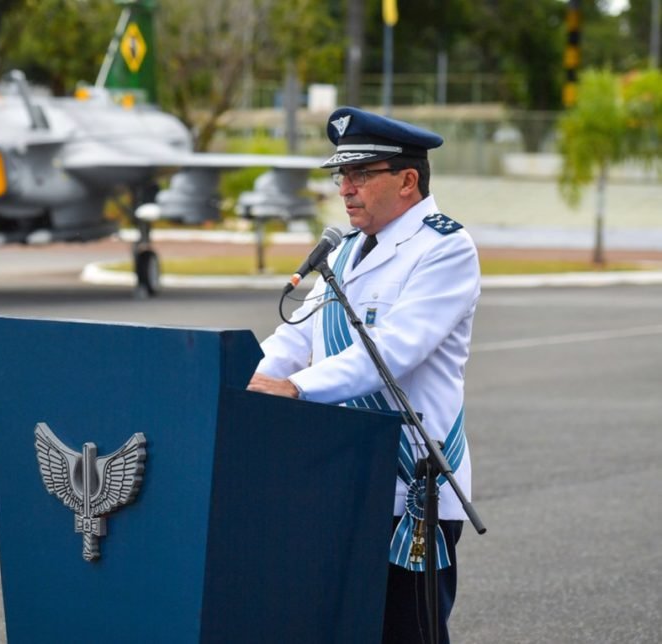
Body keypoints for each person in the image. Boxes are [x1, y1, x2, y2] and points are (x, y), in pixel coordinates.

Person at [247, 106, 480, 644]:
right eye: (341, 176)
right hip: (342, 478)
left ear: (407, 180)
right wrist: (238, 380)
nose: (345, 189)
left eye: (360, 174)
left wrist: (296, 387)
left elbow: (393, 351)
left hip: (411, 486)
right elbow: (295, 337)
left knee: (407, 634)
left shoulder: (445, 248)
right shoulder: (344, 252)